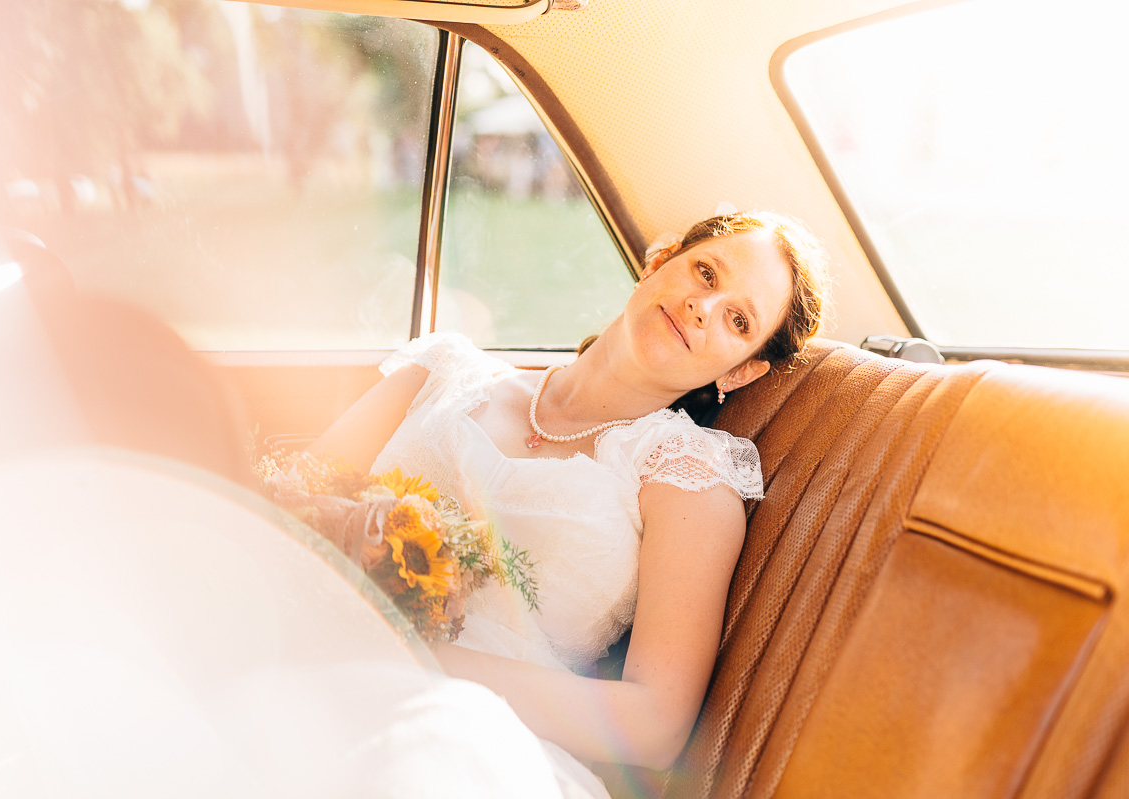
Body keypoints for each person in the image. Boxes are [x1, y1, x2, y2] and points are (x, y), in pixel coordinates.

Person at [307, 210, 830, 796]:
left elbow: (653, 723)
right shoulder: (439, 372)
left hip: (482, 745)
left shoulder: (688, 479)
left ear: (741, 369)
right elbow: (289, 502)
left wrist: (412, 659)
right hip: (311, 655)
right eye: (705, 273)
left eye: (738, 319)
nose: (703, 308)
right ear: (659, 262)